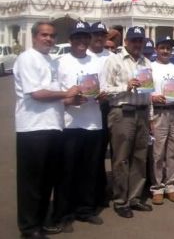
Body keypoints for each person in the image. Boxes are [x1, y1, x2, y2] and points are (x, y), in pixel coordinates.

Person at [14, 21, 80, 238]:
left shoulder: (51, 61)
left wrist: (73, 98)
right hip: (33, 128)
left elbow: (56, 96)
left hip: (53, 125)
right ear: (34, 37)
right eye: (44, 35)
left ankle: (41, 222)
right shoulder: (27, 58)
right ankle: (29, 227)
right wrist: (66, 94)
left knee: (47, 180)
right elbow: (37, 93)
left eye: (52, 36)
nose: (49, 39)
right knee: (32, 182)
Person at [52, 21, 105, 230]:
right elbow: (53, 94)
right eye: (77, 38)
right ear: (70, 40)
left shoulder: (97, 62)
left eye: (85, 37)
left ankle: (85, 209)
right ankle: (63, 214)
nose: (82, 41)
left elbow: (104, 88)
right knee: (66, 172)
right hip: (69, 124)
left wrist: (101, 95)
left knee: (89, 170)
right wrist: (67, 100)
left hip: (93, 123)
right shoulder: (60, 62)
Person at [101, 26, 153, 218]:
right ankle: (120, 200)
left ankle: (135, 198)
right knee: (121, 158)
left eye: (140, 40)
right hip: (122, 112)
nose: (137, 44)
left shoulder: (146, 62)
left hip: (142, 112)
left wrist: (151, 116)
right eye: (134, 40)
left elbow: (149, 92)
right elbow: (104, 89)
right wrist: (126, 86)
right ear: (126, 42)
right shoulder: (113, 60)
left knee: (140, 157)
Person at [149, 36, 174, 204]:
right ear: (156, 49)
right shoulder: (150, 67)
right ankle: (157, 187)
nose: (165, 51)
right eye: (162, 47)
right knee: (158, 152)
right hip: (158, 113)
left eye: (168, 49)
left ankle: (171, 186)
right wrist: (153, 98)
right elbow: (143, 91)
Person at [87, 21, 114, 208]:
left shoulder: (112, 57)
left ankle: (106, 190)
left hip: (110, 108)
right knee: (92, 154)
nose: (99, 38)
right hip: (88, 109)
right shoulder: (84, 56)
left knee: (115, 152)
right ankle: (91, 194)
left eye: (102, 35)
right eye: (96, 34)